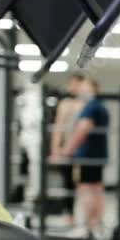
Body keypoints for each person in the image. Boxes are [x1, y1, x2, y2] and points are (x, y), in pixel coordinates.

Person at [57, 74, 110, 239]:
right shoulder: (101, 106)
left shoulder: (90, 107)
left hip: (86, 156)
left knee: (86, 190)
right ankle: (95, 226)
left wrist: (67, 149)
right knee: (96, 190)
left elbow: (82, 129)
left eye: (84, 87)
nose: (80, 90)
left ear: (92, 89)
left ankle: (87, 227)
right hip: (97, 156)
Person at [50, 72, 86, 228]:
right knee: (68, 183)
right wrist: (55, 149)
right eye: (71, 84)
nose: (73, 87)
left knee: (85, 184)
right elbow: (58, 128)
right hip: (67, 151)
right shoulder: (64, 104)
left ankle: (85, 215)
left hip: (83, 149)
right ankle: (70, 215)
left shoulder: (85, 103)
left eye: (76, 84)